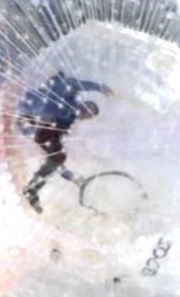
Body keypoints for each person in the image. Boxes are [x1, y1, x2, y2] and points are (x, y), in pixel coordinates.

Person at [16, 71, 112, 213]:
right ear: (84, 102)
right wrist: (99, 87)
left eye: (87, 116)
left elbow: (56, 159)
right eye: (87, 109)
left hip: (32, 123)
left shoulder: (65, 122)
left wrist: (71, 177)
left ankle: (32, 189)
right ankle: (32, 189)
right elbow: (73, 84)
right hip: (27, 112)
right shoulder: (67, 96)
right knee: (56, 153)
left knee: (58, 156)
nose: (84, 114)